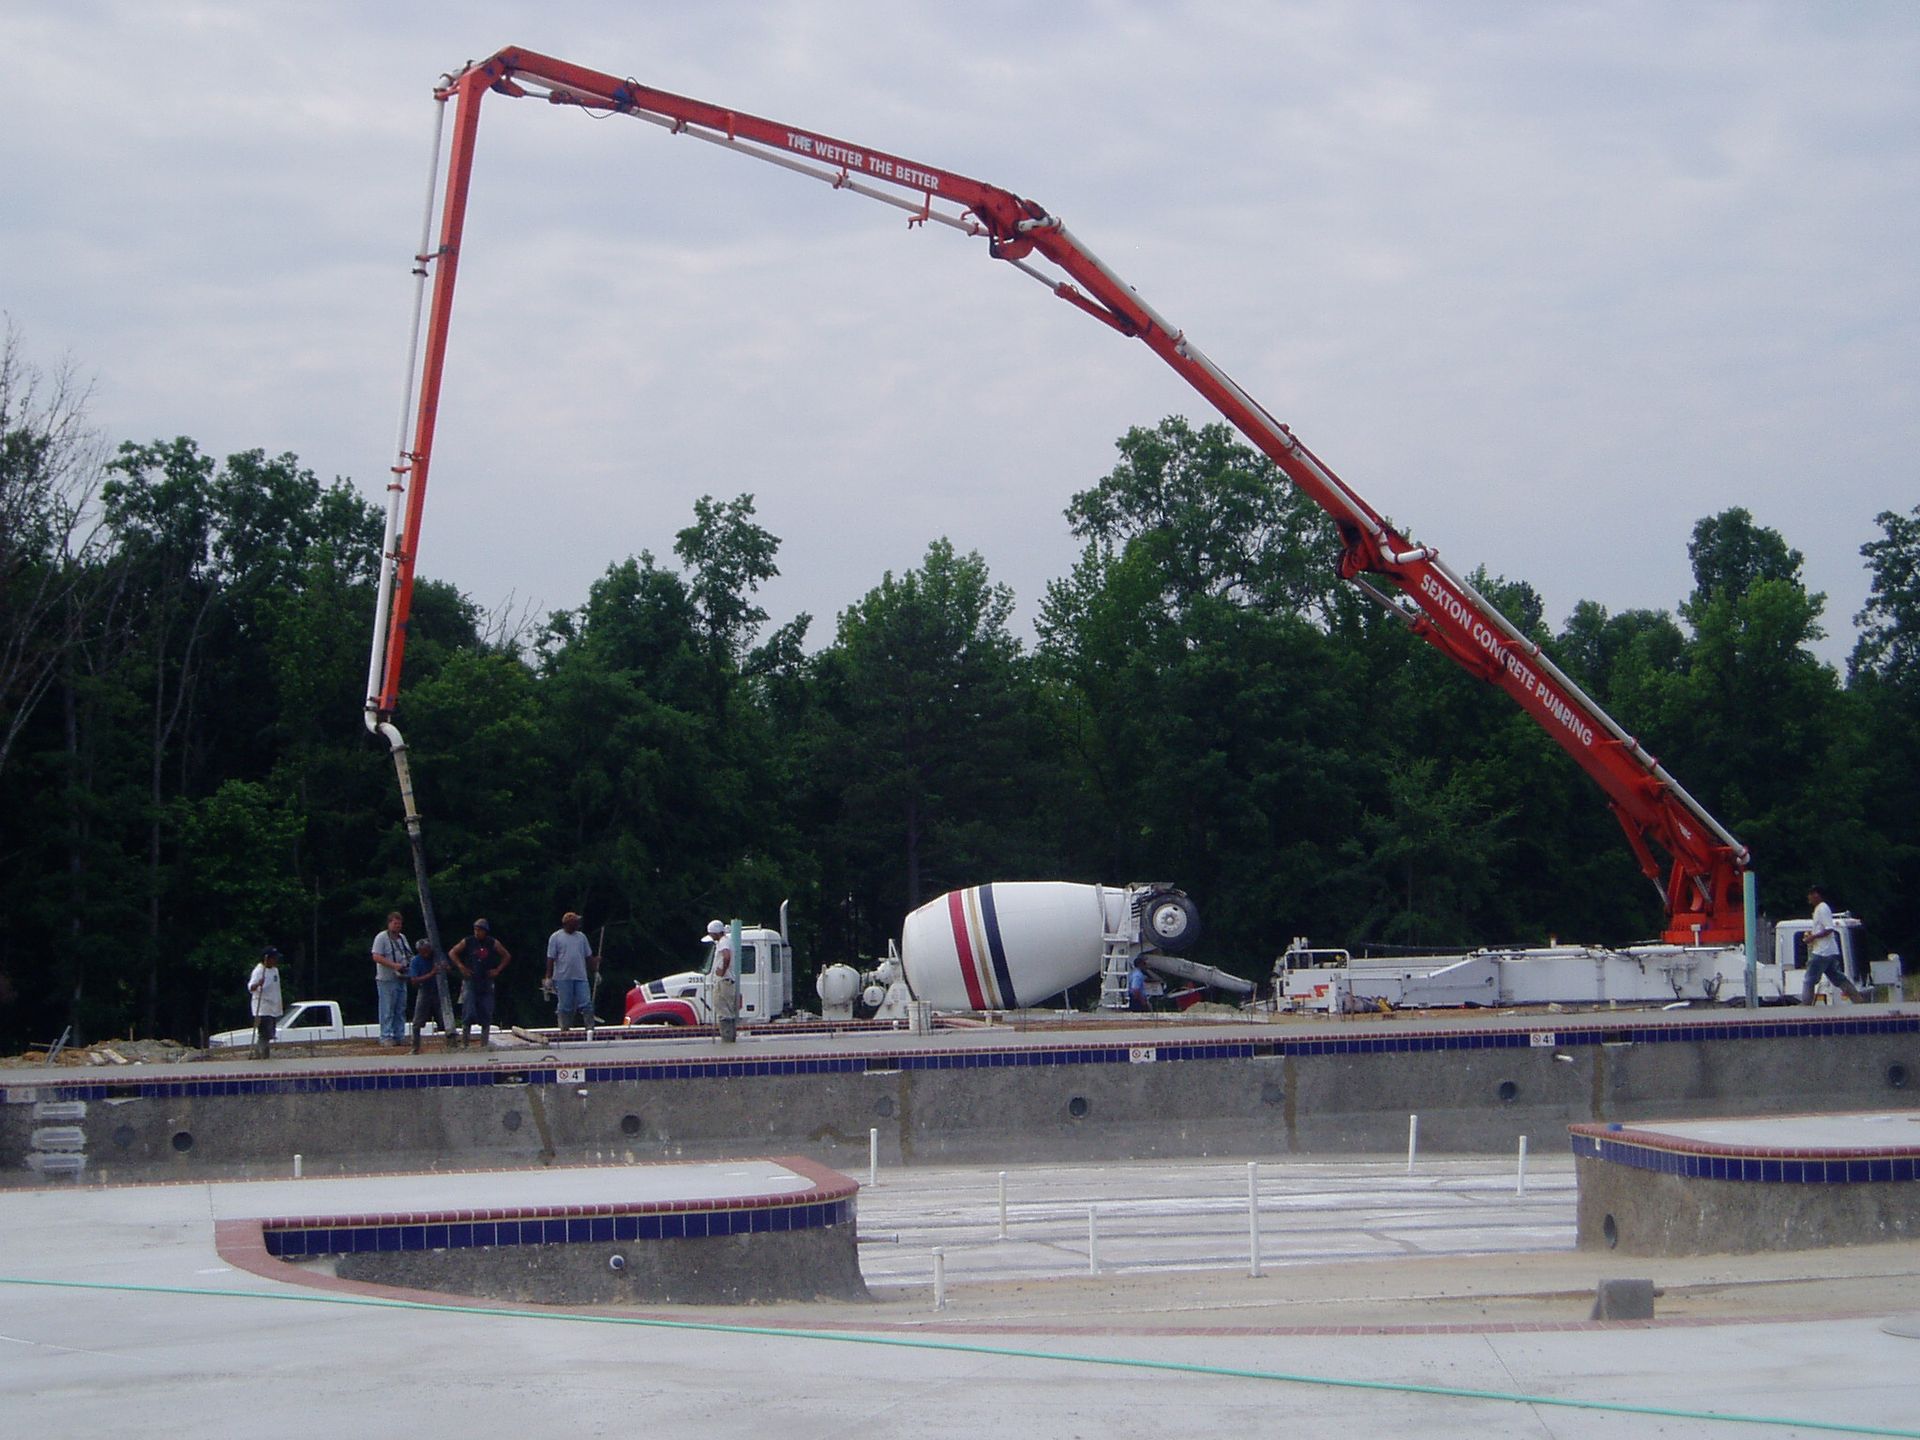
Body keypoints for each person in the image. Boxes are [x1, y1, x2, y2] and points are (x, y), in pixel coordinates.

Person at [450, 918, 511, 1048]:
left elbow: (506, 956)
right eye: (475, 929)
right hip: (471, 980)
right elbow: (453, 952)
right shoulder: (468, 941)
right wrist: (461, 967)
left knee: (486, 1012)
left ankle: (484, 1044)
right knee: (468, 1012)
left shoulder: (492, 942)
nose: (477, 932)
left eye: (479, 930)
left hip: (486, 981)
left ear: (485, 931)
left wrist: (497, 970)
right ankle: (465, 1044)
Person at [1803, 885, 1866, 1004]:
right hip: (1830, 951)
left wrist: (1813, 937)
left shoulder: (1822, 909)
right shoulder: (1821, 909)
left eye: (1810, 895)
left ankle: (1806, 1005)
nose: (1809, 898)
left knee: (1809, 979)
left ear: (1816, 895)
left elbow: (1829, 928)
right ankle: (1858, 1000)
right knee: (1838, 978)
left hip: (1822, 951)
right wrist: (1814, 934)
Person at [544, 911, 598, 1030]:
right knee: (565, 1006)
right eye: (576, 922)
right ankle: (564, 1028)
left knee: (586, 1003)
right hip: (563, 978)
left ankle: (590, 1028)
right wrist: (548, 977)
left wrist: (595, 971)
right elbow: (550, 958)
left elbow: (588, 957)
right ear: (568, 924)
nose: (578, 924)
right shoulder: (556, 937)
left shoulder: (581, 937)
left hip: (580, 977)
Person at [370, 911, 411, 1047]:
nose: (397, 926)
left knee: (400, 1008)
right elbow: (376, 956)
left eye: (399, 924)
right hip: (386, 979)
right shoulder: (381, 938)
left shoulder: (402, 938)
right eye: (395, 923)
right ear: (389, 924)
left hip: (401, 978)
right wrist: (394, 965)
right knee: (387, 1008)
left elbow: (408, 954)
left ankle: (399, 1035)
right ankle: (385, 1036)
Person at [407, 937, 451, 1053]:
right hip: (425, 990)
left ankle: (452, 1043)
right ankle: (415, 1047)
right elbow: (414, 980)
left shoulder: (437, 956)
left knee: (444, 1019)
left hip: (439, 991)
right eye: (423, 951)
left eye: (427, 950)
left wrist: (445, 967)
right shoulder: (416, 961)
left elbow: (448, 968)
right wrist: (431, 973)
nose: (426, 954)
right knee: (417, 1022)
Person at [247, 946, 285, 1060]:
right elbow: (251, 988)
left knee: (270, 1033)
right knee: (265, 1032)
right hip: (262, 1007)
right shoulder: (259, 970)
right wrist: (258, 983)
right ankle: (259, 1053)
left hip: (273, 1006)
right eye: (273, 958)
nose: (276, 961)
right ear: (267, 959)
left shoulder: (274, 970)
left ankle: (264, 1054)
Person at [706, 919, 740, 1043]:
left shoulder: (723, 942)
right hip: (727, 981)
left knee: (723, 1010)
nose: (710, 936)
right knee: (728, 1011)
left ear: (716, 933)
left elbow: (726, 956)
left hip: (723, 981)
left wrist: (722, 970)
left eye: (711, 933)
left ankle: (727, 1040)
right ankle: (730, 1039)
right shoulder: (727, 941)